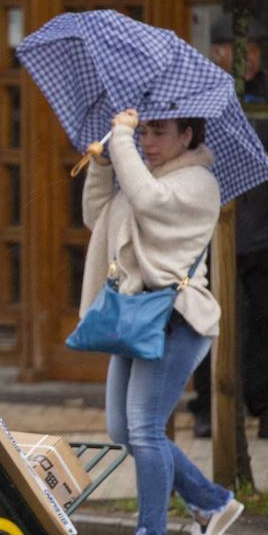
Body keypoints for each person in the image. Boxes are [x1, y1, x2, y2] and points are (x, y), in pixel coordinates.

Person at [81, 109, 243, 535]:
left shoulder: (198, 183)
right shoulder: (148, 179)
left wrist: (120, 138)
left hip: (176, 319)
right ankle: (212, 502)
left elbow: (149, 202)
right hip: (136, 317)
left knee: (145, 428)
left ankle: (151, 529)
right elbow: (98, 219)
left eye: (159, 132)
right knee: (123, 430)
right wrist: (101, 168)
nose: (147, 141)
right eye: (144, 132)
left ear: (186, 135)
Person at [188, 15, 268, 438]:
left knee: (263, 321)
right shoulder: (201, 93)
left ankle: (264, 404)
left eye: (254, 49)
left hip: (262, 229)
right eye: (239, 50)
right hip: (211, 227)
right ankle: (208, 406)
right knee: (206, 320)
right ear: (218, 52)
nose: (248, 58)